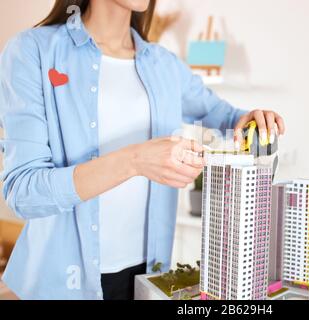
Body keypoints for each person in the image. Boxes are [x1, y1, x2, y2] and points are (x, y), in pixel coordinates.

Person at [0, 0, 285, 300]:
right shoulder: (33, 51)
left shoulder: (164, 65)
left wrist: (251, 119)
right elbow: (23, 192)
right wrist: (135, 160)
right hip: (59, 285)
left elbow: (224, 115)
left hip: (147, 280)